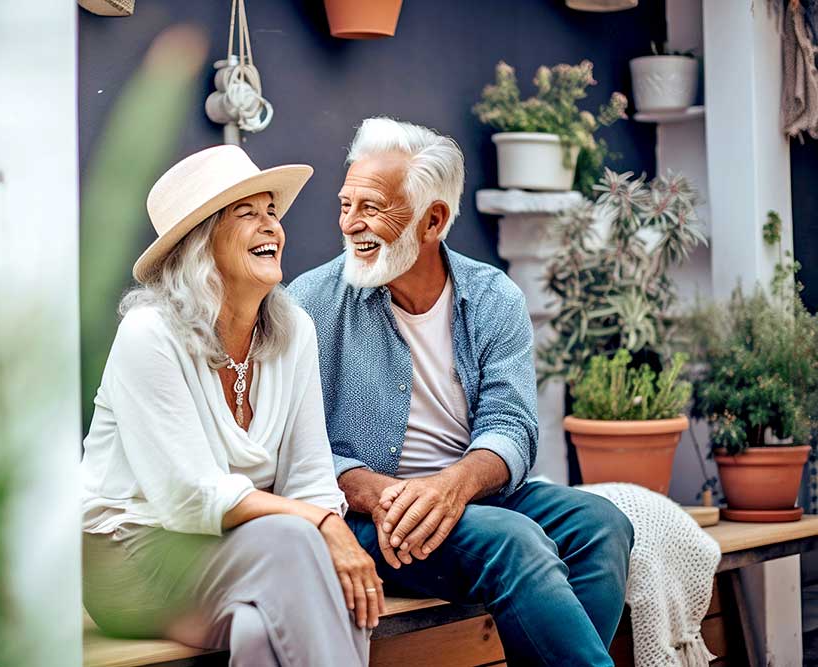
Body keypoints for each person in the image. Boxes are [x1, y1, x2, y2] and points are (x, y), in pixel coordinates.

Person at [288, 118, 634, 667]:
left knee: (603, 525)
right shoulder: (308, 301)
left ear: (433, 220)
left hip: (472, 495)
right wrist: (380, 494)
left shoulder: (493, 297)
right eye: (345, 203)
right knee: (514, 541)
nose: (350, 224)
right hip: (372, 517)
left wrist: (453, 486)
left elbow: (513, 424)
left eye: (371, 207)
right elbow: (291, 443)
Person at [81, 145, 377, 666]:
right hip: (131, 553)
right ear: (201, 243)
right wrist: (323, 525)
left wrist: (325, 524)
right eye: (247, 214)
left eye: (271, 212)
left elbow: (311, 479)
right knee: (297, 540)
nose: (272, 227)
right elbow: (187, 496)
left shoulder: (294, 333)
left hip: (239, 550)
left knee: (262, 628)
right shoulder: (149, 334)